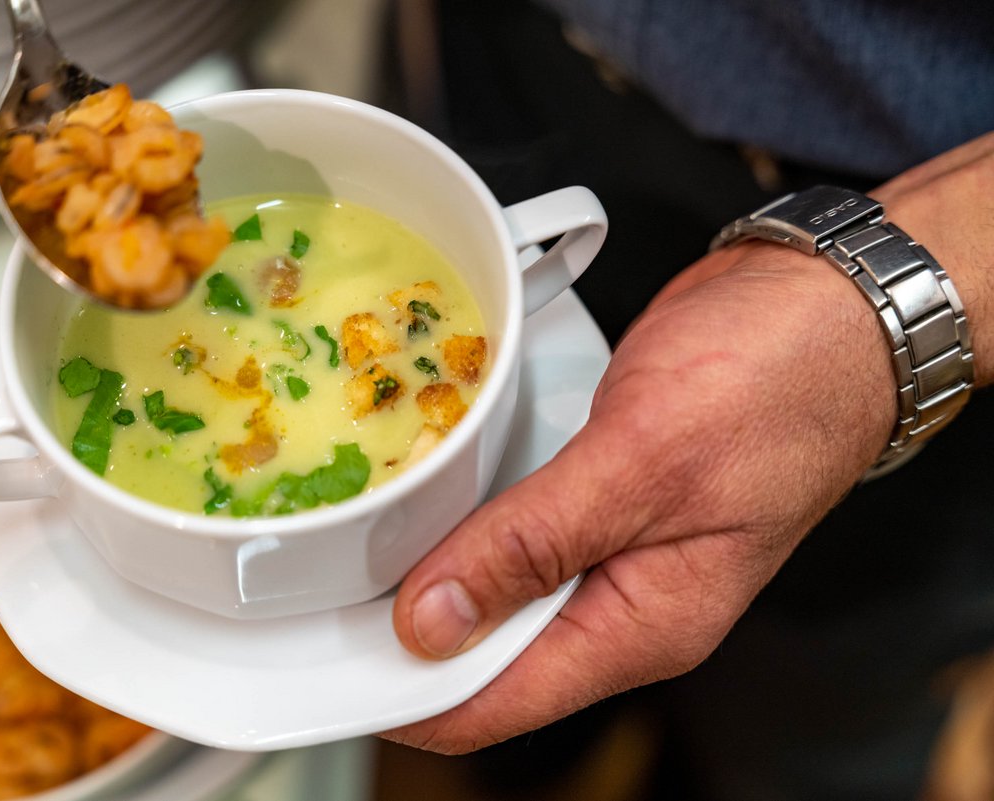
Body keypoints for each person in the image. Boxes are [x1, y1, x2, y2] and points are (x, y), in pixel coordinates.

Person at [377, 1, 994, 797]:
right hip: (523, 66)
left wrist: (909, 292)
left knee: (803, 724)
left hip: (930, 235)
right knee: (514, 705)